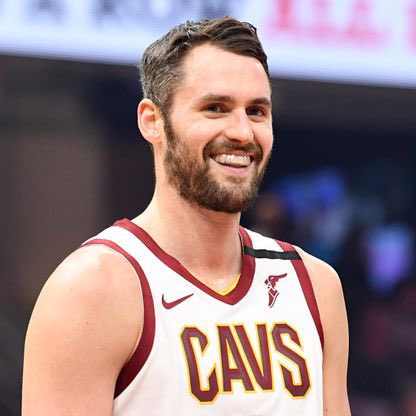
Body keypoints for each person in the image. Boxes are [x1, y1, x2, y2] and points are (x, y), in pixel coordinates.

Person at [22, 16, 350, 415]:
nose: (243, 132)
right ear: (153, 121)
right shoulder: (92, 289)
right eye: (215, 108)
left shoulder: (314, 285)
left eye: (256, 111)